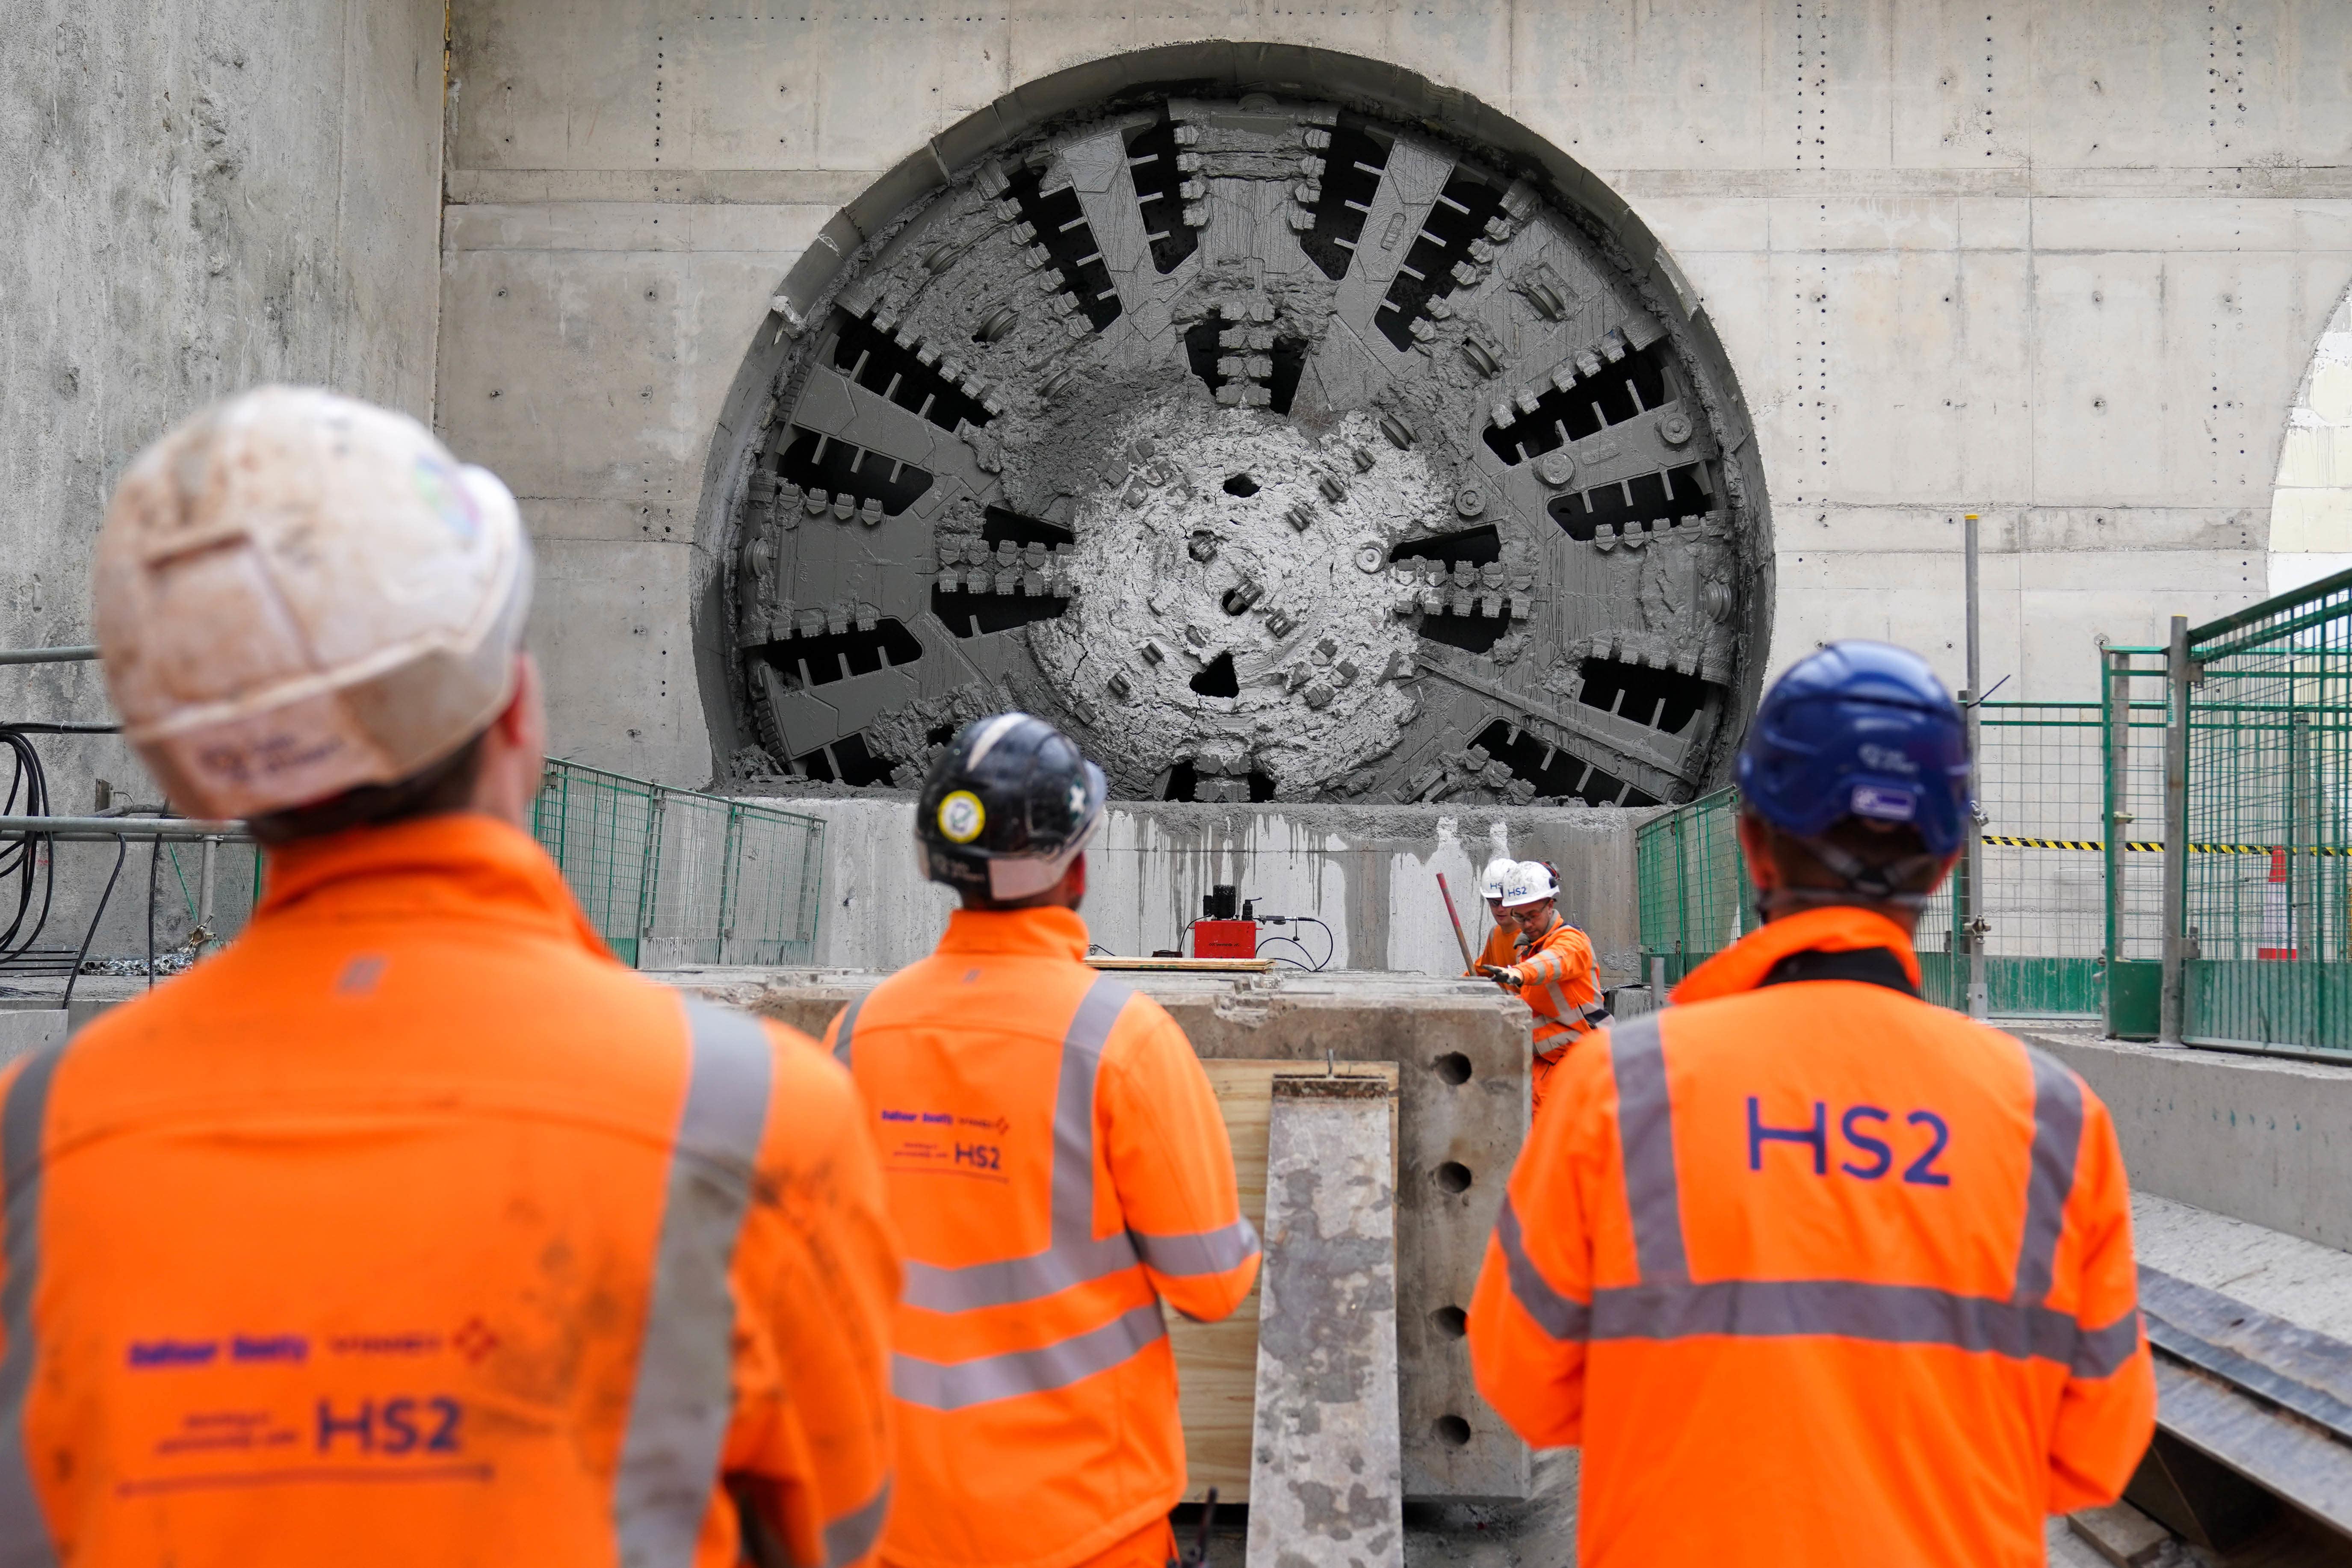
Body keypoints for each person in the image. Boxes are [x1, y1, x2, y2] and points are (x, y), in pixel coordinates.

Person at [0, 388, 899, 1567]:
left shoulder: (40, 1140)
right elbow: (842, 1531)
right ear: (516, 714)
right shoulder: (747, 1118)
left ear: (196, 766)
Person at [1466, 641, 2156, 1568]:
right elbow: (2092, 1456)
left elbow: (1525, 1384)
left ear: (1750, 840)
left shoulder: (1619, 1092)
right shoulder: (2051, 1121)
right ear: (1946, 859)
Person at [825, 712, 1259, 1568]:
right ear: (1080, 862)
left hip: (891, 1519)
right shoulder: (1121, 1043)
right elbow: (1211, 1283)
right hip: (1079, 1523)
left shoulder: (858, 1032)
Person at [1479, 859, 1608, 1113]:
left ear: (1551, 906)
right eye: (1519, 916)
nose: (1526, 924)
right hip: (1544, 1062)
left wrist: (1519, 973)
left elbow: (1553, 962)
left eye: (1532, 916)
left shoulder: (1571, 941)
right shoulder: (1527, 948)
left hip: (1579, 1062)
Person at [1464, 855, 1521, 977]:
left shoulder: (1533, 937)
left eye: (1505, 902)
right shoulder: (1495, 935)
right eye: (1494, 902)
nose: (1500, 909)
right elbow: (1479, 972)